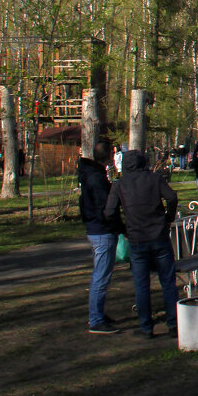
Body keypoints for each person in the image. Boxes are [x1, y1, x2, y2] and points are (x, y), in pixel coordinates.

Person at [105, 150, 179, 338]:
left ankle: (146, 327)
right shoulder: (154, 179)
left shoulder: (119, 185)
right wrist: (167, 218)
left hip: (137, 238)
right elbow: (171, 197)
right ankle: (173, 323)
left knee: (141, 284)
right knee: (168, 281)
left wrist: (122, 230)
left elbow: (109, 211)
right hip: (159, 236)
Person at [79, 140, 121, 334]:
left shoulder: (92, 174)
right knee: (101, 276)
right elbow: (106, 208)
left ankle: (98, 313)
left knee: (102, 275)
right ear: (108, 156)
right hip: (102, 230)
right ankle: (95, 319)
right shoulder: (96, 178)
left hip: (97, 228)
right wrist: (117, 226)